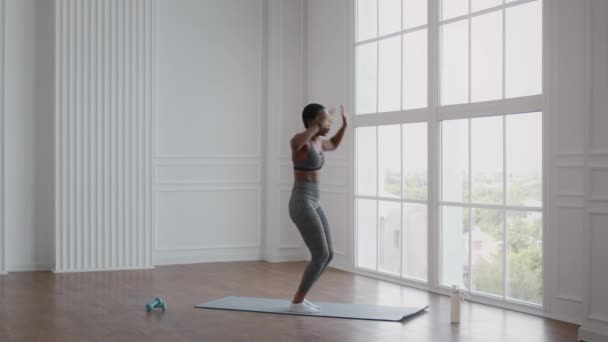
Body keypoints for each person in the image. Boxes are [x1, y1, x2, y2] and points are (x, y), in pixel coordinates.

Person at [287, 103, 349, 313]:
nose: (329, 124)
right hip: (301, 201)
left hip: (314, 201)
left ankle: (301, 299)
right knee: (320, 254)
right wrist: (315, 125)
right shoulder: (301, 142)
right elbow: (295, 143)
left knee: (328, 254)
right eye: (326, 120)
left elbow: (333, 144)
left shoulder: (319, 143)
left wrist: (345, 125)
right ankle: (297, 301)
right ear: (313, 122)